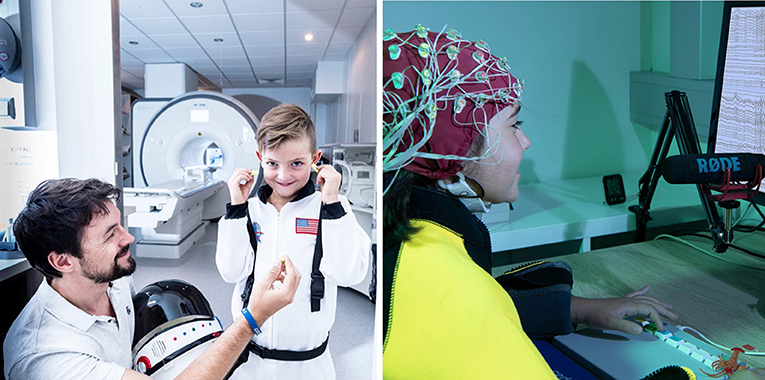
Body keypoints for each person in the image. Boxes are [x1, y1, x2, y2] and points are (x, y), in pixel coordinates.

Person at [381, 25, 708, 379]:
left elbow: (477, 310)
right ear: (453, 147)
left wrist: (576, 308)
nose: (525, 141)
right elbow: (464, 312)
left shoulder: (414, 234)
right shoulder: (445, 282)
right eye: (513, 125)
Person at [3, 178, 300, 380]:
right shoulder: (45, 356)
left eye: (119, 225)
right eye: (110, 235)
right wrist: (252, 318)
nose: (128, 238)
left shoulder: (112, 279)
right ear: (62, 261)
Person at [216, 103, 370, 380]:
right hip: (250, 359)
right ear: (259, 157)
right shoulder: (249, 210)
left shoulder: (332, 208)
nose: (284, 176)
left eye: (296, 164)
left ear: (315, 158)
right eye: (272, 164)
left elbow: (350, 273)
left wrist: (332, 203)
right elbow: (230, 271)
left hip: (308, 365)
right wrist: (237, 208)